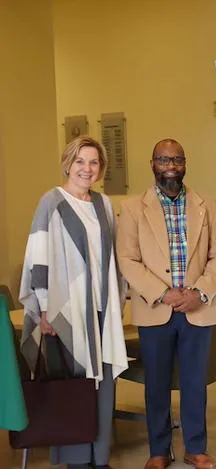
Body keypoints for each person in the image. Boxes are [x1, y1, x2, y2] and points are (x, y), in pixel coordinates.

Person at [117, 138, 216, 469]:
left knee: (195, 382)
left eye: (177, 160)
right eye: (164, 160)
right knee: (157, 384)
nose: (171, 166)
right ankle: (158, 450)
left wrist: (200, 292)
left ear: (185, 163)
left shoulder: (207, 205)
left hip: (198, 307)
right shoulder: (133, 208)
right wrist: (163, 293)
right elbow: (127, 259)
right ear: (152, 164)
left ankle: (196, 448)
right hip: (155, 307)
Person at [19, 136, 128, 469]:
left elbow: (112, 258)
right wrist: (46, 307)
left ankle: (100, 456)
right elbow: (38, 256)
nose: (87, 169)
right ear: (68, 163)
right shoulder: (51, 203)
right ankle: (77, 459)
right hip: (66, 312)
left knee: (103, 386)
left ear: (101, 168)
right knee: (73, 389)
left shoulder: (104, 205)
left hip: (101, 310)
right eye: (80, 161)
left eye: (94, 162)